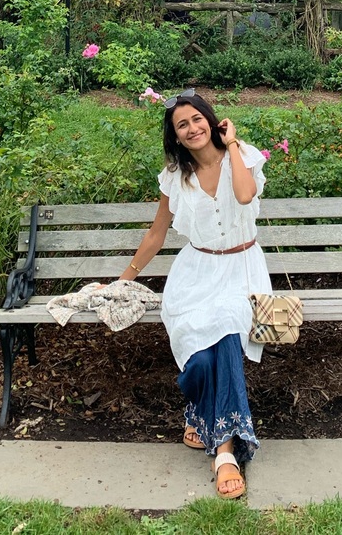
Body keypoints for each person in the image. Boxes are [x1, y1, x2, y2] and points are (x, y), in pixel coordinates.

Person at [115, 89, 272, 499]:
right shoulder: (175, 176)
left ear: (211, 119)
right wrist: (124, 279)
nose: (191, 128)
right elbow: (157, 232)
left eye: (197, 119)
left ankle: (225, 452)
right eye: (181, 125)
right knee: (199, 357)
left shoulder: (243, 156)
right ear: (176, 136)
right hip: (195, 275)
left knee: (226, 329)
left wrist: (231, 143)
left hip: (242, 272)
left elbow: (244, 195)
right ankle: (202, 411)